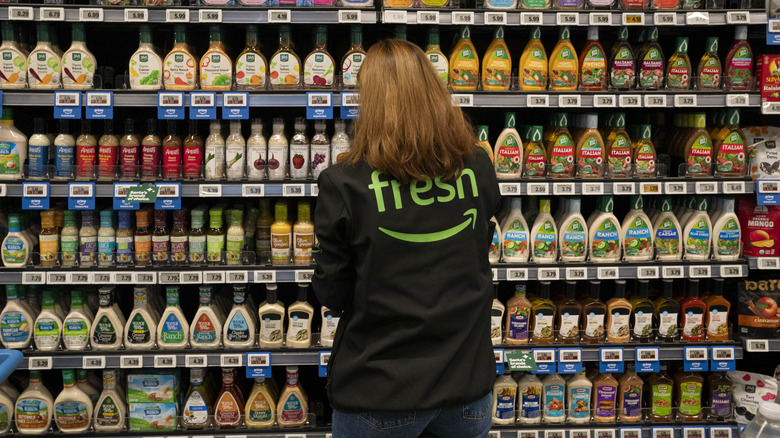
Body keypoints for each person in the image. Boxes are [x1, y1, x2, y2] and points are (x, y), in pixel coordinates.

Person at [312, 38, 501, 438]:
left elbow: (332, 293)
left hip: (381, 389)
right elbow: (475, 253)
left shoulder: (344, 183)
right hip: (465, 387)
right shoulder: (478, 166)